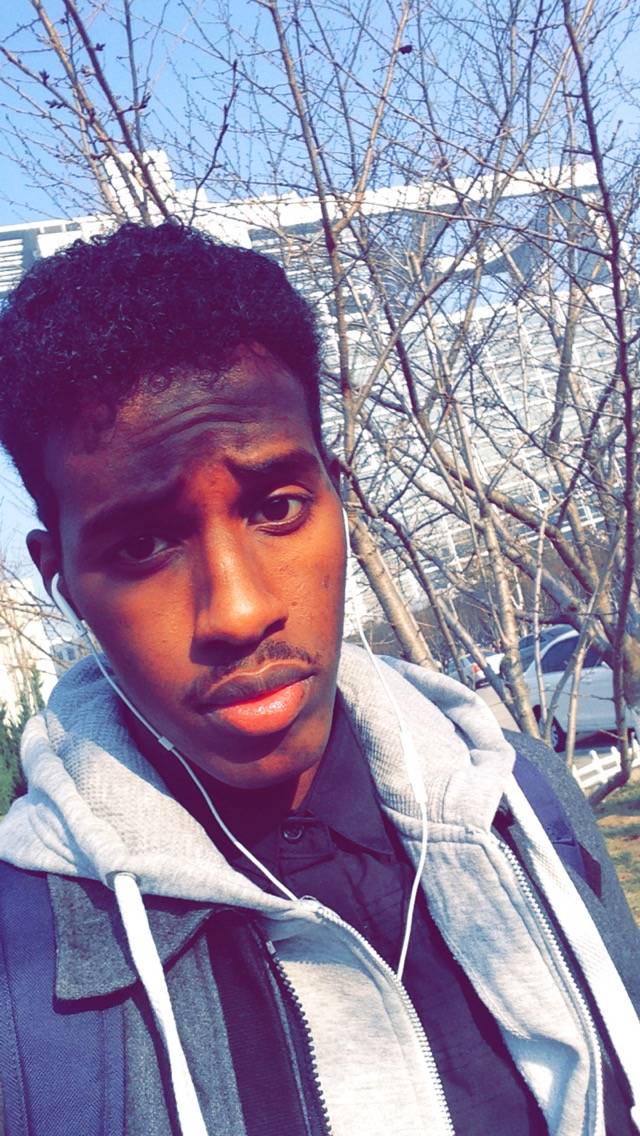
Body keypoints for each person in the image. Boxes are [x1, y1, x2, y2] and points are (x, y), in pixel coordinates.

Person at [0, 221, 638, 1136]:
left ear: (339, 500)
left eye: (277, 507)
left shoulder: (526, 798)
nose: (237, 611)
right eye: (141, 546)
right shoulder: (22, 964)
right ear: (60, 578)